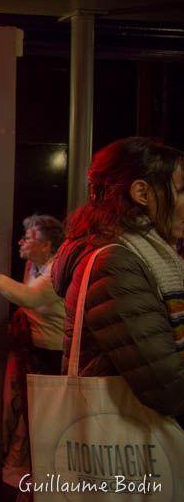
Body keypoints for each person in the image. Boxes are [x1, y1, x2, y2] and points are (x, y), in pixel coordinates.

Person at [51, 137, 184, 428]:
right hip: (128, 444)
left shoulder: (153, 255)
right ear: (142, 193)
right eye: (180, 190)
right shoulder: (116, 262)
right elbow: (168, 389)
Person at [0, 214, 66, 496]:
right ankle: (22, 469)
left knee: (42, 416)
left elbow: (30, 297)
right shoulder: (33, 265)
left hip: (52, 353)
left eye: (29, 238)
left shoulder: (55, 272)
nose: (21, 242)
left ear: (47, 245)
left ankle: (45, 476)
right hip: (31, 347)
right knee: (22, 412)